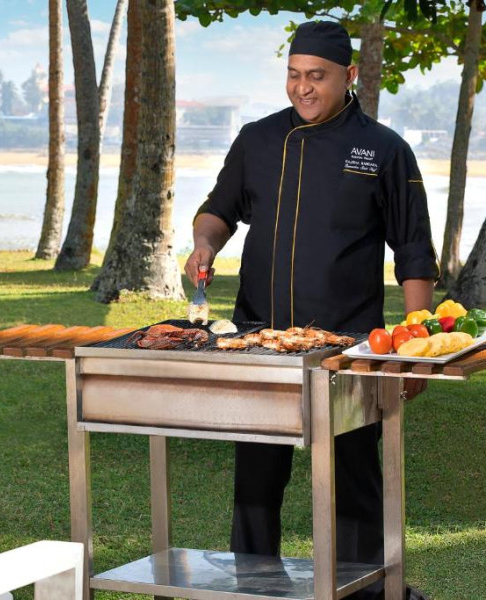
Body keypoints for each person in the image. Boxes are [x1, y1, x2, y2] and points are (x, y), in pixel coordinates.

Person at [184, 21, 438, 600]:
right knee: (256, 477)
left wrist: (416, 340)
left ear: (350, 76)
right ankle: (253, 586)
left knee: (354, 475)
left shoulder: (384, 149)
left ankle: (365, 593)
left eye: (317, 76)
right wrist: (204, 244)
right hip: (259, 337)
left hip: (348, 346)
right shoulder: (257, 138)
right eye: (294, 75)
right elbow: (218, 210)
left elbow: (414, 251)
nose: (303, 88)